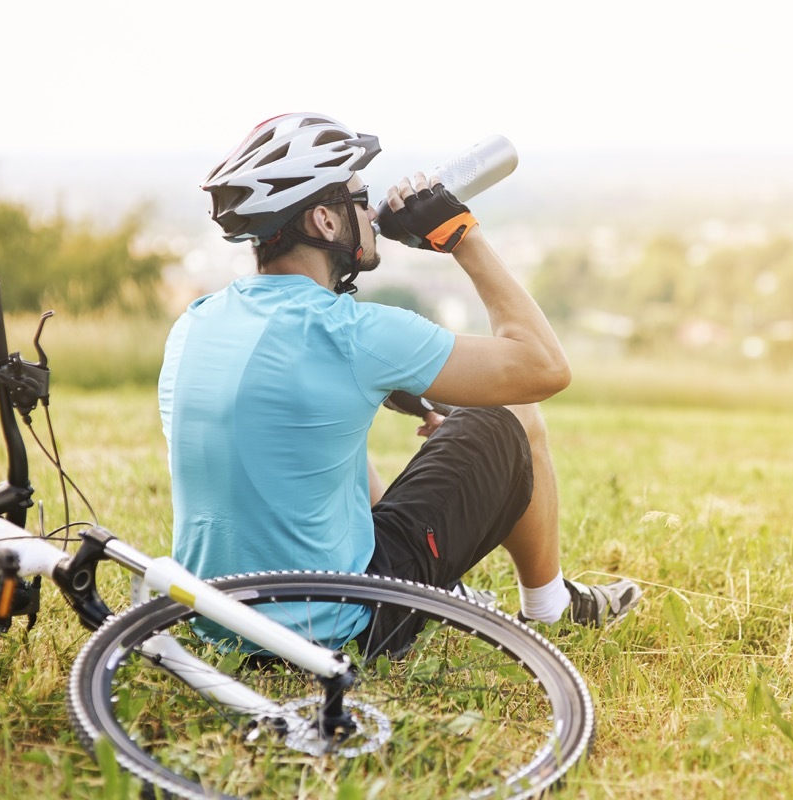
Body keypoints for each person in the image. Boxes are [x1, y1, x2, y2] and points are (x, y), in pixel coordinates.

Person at [158, 112, 641, 649]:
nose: (371, 212)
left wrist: (404, 393)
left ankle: (447, 587)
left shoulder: (197, 323)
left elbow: (289, 422)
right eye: (360, 201)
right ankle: (550, 608)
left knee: (317, 449)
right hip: (337, 631)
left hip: (217, 624)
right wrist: (461, 236)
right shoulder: (352, 331)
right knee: (509, 418)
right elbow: (544, 368)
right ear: (325, 221)